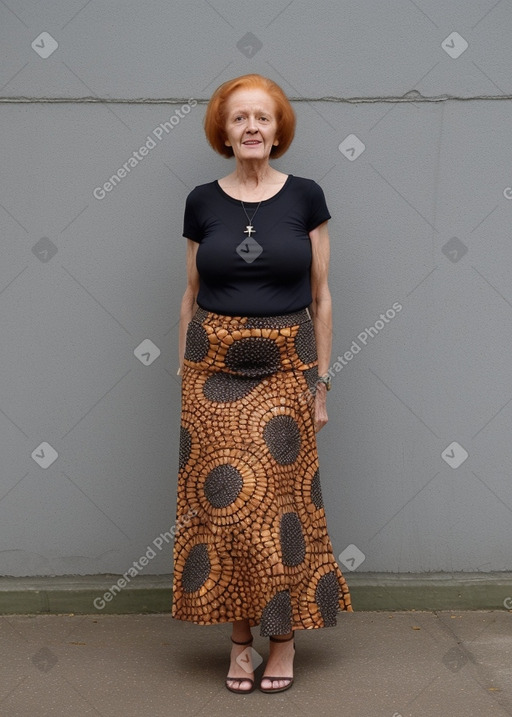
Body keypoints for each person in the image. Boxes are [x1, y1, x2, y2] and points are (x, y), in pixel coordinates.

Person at [172, 73, 352, 695]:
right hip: (212, 371)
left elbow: (322, 298)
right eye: (240, 117)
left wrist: (321, 384)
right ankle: (239, 641)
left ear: (279, 130)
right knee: (227, 510)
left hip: (285, 367)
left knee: (278, 510)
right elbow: (192, 293)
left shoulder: (306, 195)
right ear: (223, 130)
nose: (252, 127)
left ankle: (283, 641)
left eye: (263, 118)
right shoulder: (201, 200)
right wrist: (183, 372)